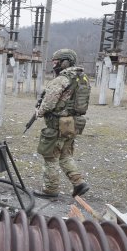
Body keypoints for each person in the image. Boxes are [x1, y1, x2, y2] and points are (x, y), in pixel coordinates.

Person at [32, 48, 90, 199]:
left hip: (57, 123)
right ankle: (79, 183)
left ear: (65, 62)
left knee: (50, 156)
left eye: (56, 62)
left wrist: (39, 112)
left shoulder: (62, 79)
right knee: (65, 154)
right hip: (72, 122)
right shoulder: (81, 78)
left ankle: (50, 190)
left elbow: (49, 103)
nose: (54, 65)